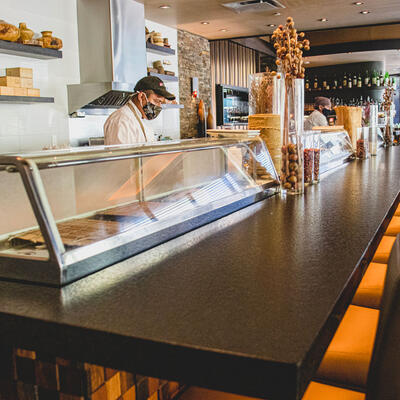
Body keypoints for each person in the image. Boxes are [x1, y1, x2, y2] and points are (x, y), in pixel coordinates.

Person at [104, 76, 175, 145]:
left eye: (161, 103)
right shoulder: (122, 120)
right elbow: (120, 155)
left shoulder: (141, 118)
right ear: (141, 97)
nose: (159, 106)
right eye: (156, 101)